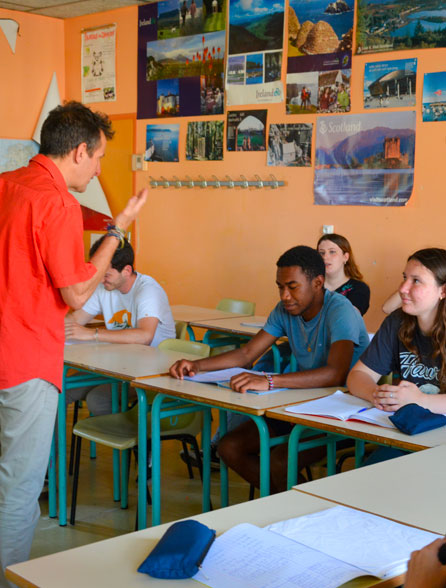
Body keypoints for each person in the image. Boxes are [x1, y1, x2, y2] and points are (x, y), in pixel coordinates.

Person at [0, 101, 147, 587]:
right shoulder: (56, 202)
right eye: (100, 156)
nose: (101, 167)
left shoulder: (8, 184)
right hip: (25, 361)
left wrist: (107, 220)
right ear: (79, 151)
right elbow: (79, 291)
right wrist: (119, 227)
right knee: (18, 491)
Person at [170, 245, 369, 492]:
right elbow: (246, 354)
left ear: (318, 283)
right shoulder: (285, 310)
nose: (284, 295)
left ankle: (300, 515)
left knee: (280, 461)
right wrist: (196, 365)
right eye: (280, 286)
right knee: (229, 447)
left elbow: (336, 373)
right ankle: (291, 507)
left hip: (342, 413)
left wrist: (272, 381)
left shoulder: (340, 311)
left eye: (292, 287)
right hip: (301, 404)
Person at [348, 248, 446, 463]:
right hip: (409, 433)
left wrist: (420, 400)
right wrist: (377, 394)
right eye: (404, 278)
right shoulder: (397, 322)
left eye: (416, 281)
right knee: (370, 473)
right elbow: (358, 375)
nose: (403, 288)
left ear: (443, 291)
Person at [65, 236, 175, 415]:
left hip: (151, 371)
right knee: (62, 389)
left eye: (106, 275)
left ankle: (132, 442)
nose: (101, 280)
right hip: (116, 365)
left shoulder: (148, 290)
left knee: (98, 399)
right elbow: (75, 319)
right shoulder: (105, 287)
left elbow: (145, 336)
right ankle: (48, 444)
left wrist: (92, 334)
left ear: (126, 270)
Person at [317, 233, 370, 316]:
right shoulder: (310, 285)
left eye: (332, 252)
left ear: (345, 257)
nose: (325, 257)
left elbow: (349, 317)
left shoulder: (359, 288)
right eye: (321, 253)